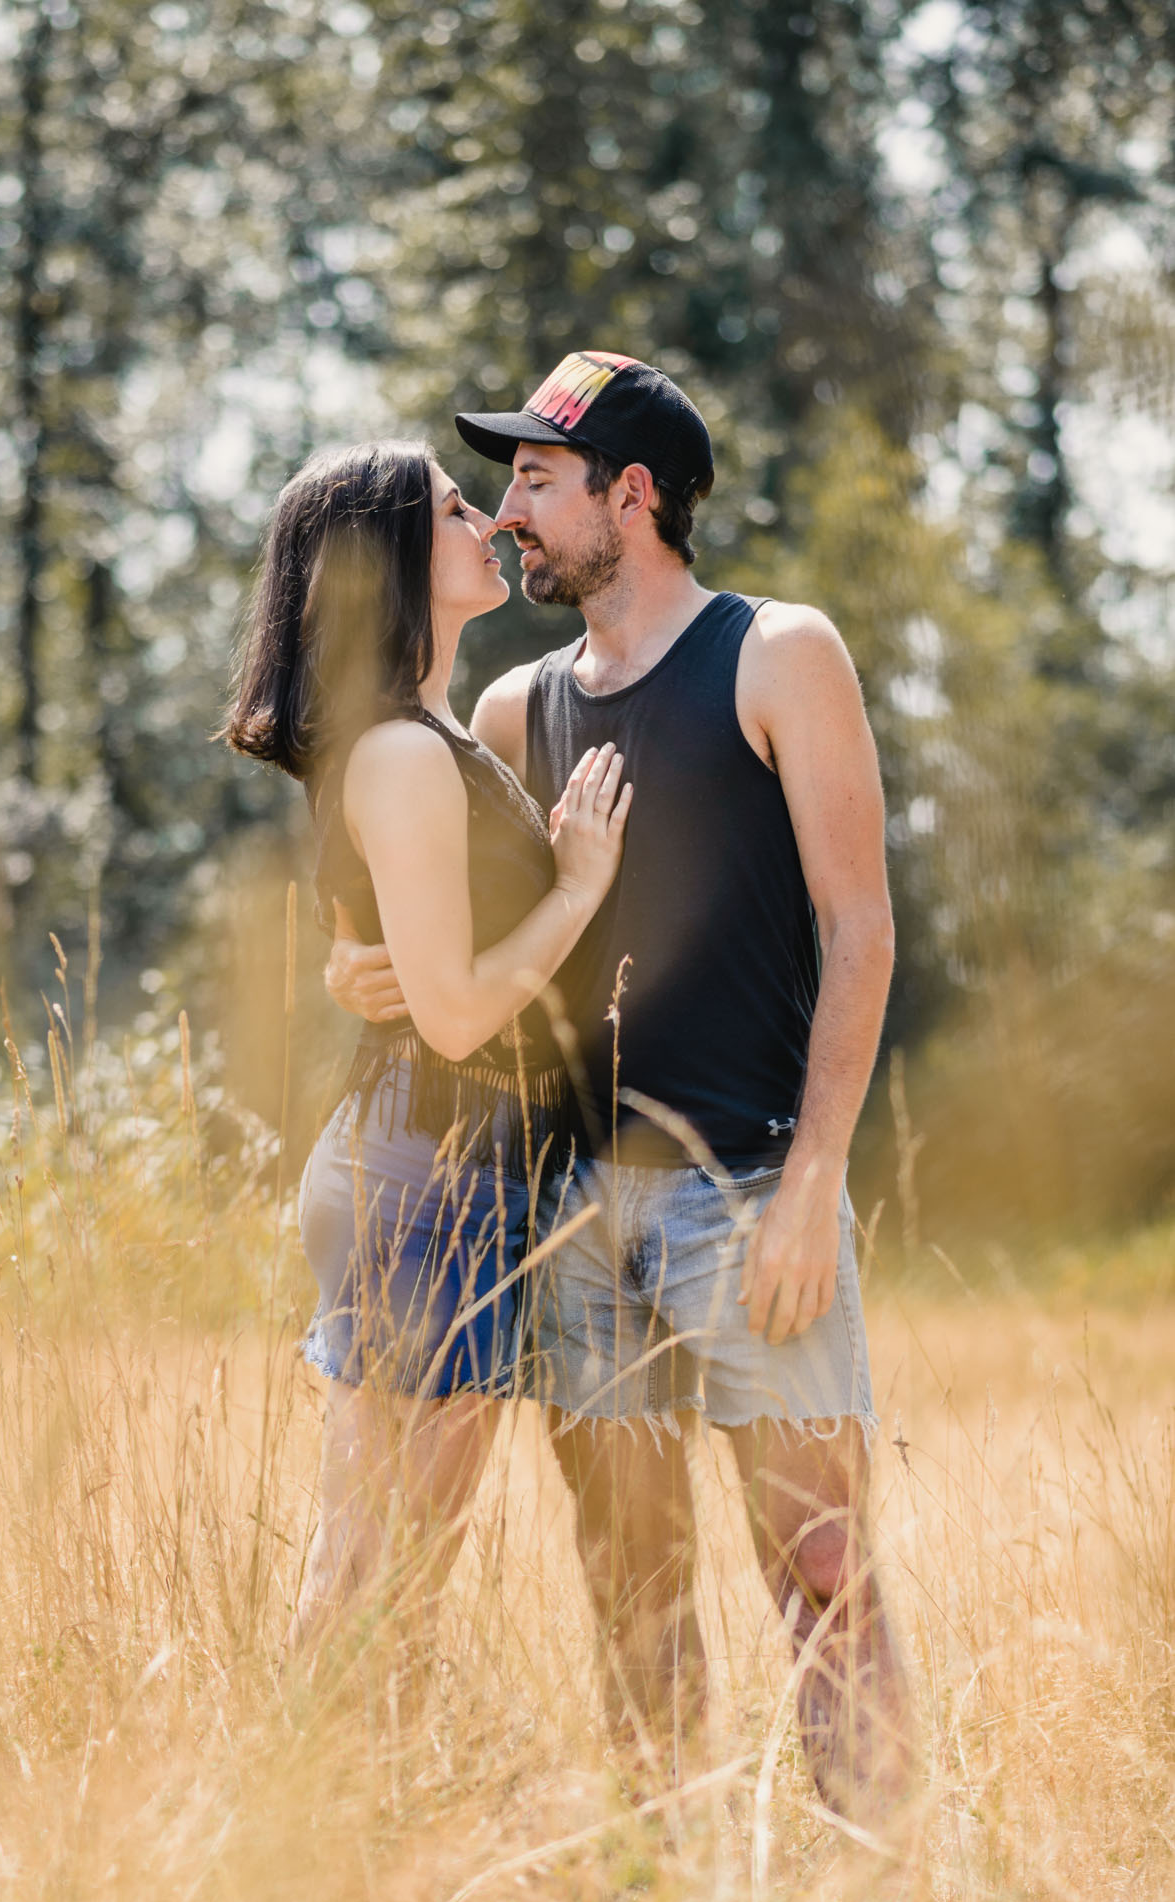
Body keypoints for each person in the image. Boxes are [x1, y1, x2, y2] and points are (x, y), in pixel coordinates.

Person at [325, 354, 913, 1824]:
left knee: (820, 1563)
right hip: (579, 1213)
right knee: (631, 1584)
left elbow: (861, 931)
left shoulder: (779, 653)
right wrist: (364, 976)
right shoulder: (522, 708)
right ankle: (672, 1865)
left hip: (751, 1193)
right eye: (506, 481)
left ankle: (886, 1884)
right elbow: (446, 913)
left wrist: (817, 1183)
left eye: (534, 477)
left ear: (628, 494)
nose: (509, 512)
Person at [223, 441, 631, 1678]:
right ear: (394, 555)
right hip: (427, 1166)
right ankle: (291, 1831)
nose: (494, 524)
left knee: (388, 1565)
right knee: (378, 1569)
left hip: (451, 1165)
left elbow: (382, 955)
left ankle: (332, 1831)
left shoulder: (422, 731)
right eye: (459, 509)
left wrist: (363, 972)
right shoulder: (401, 753)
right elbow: (454, 1015)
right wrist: (577, 887)